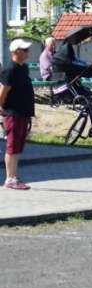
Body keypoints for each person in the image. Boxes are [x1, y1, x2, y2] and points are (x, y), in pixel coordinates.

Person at [0, 39, 36, 190]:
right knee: (12, 145)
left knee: (18, 147)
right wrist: (1, 107)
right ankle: (9, 179)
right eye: (24, 50)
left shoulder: (24, 67)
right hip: (13, 112)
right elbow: (3, 92)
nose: (27, 52)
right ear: (15, 52)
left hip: (23, 112)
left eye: (27, 50)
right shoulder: (10, 69)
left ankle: (14, 176)